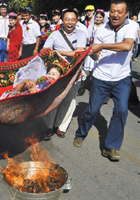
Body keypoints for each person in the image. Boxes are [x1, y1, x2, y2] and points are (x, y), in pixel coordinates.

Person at [73, 0, 138, 161]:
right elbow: (97, 55)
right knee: (92, 110)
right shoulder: (101, 30)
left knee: (121, 110)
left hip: (122, 78)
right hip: (101, 77)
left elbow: (127, 46)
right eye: (113, 11)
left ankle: (111, 147)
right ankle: (81, 133)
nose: (115, 14)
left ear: (126, 14)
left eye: (119, 11)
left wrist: (101, 46)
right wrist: (91, 52)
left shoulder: (132, 26)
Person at [42, 8, 87, 139]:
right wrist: (47, 52)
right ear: (62, 20)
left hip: (74, 73)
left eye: (73, 20)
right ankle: (48, 127)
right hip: (56, 75)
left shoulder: (81, 34)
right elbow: (45, 50)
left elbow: (79, 53)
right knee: (53, 100)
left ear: (77, 20)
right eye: (67, 19)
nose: (70, 22)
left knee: (69, 100)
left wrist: (59, 52)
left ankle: (61, 126)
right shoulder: (55, 34)